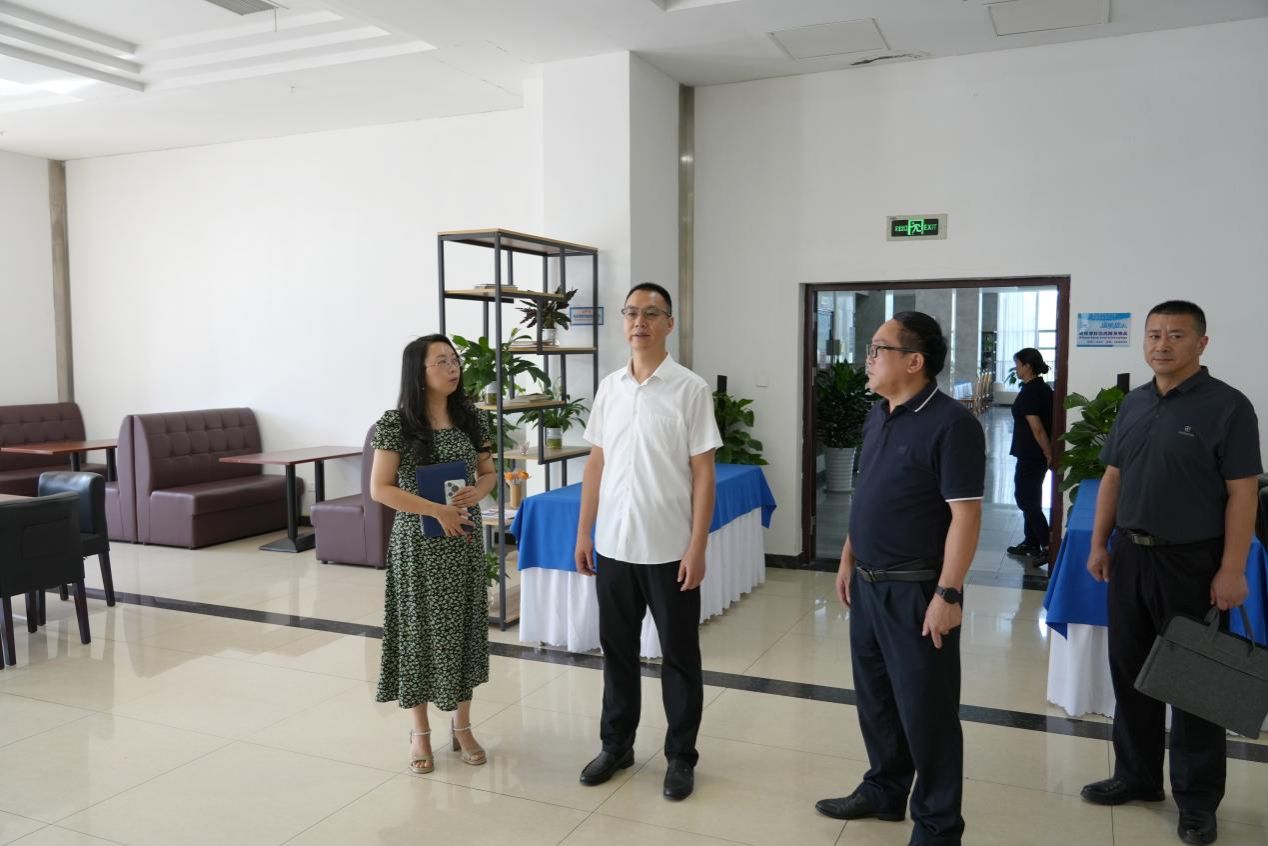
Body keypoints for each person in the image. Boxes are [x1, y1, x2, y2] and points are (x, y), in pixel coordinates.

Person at [1080, 301, 1261, 846]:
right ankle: (1136, 776)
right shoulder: (1134, 402)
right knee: (1131, 673)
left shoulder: (1228, 406)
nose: (1162, 345)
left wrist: (1232, 569)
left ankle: (1197, 802)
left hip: (1192, 563)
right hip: (1131, 557)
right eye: (1154, 334)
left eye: (1176, 335)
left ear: (1201, 343)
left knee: (1194, 687)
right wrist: (1099, 542)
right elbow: (1113, 477)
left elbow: (1242, 493)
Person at [815, 311, 985, 846]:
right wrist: (848, 555)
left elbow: (965, 516)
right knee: (877, 700)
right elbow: (868, 491)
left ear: (914, 361)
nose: (867, 359)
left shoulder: (952, 424)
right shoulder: (878, 414)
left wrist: (948, 593)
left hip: (917, 589)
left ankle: (937, 825)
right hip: (868, 584)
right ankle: (885, 790)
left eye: (877, 349)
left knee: (927, 711)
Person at [574, 282, 722, 801]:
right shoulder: (610, 387)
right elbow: (596, 464)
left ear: (669, 324)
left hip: (669, 549)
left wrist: (698, 545)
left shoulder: (690, 389)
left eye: (652, 314)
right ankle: (616, 746)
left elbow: (703, 473)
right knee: (617, 654)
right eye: (632, 313)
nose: (640, 322)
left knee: (679, 658)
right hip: (614, 546)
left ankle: (681, 757)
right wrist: (585, 531)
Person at [369, 334, 498, 775]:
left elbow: (488, 472)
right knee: (419, 633)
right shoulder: (396, 423)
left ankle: (462, 726)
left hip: (462, 541)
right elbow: (380, 488)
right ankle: (419, 732)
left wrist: (478, 490)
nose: (453, 366)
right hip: (419, 545)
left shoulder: (471, 418)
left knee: (462, 630)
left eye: (454, 359)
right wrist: (435, 510)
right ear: (419, 373)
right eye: (441, 361)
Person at [1006, 347, 1055, 562]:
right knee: (1031, 496)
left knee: (1025, 498)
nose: (1016, 368)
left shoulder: (1031, 392)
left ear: (1027, 366)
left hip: (1032, 454)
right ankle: (1031, 541)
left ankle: (1047, 544)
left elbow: (1037, 428)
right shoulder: (1041, 388)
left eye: (1017, 364)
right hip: (1034, 454)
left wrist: (1048, 452)